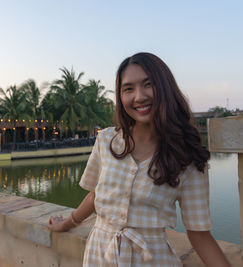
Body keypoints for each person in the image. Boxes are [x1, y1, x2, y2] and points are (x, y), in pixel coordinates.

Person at [48, 52, 231, 266]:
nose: (139, 96)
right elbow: (96, 195)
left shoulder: (187, 159)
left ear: (165, 88)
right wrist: (67, 223)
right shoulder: (107, 140)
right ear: (120, 96)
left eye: (148, 84)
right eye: (128, 89)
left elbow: (199, 234)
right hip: (99, 255)